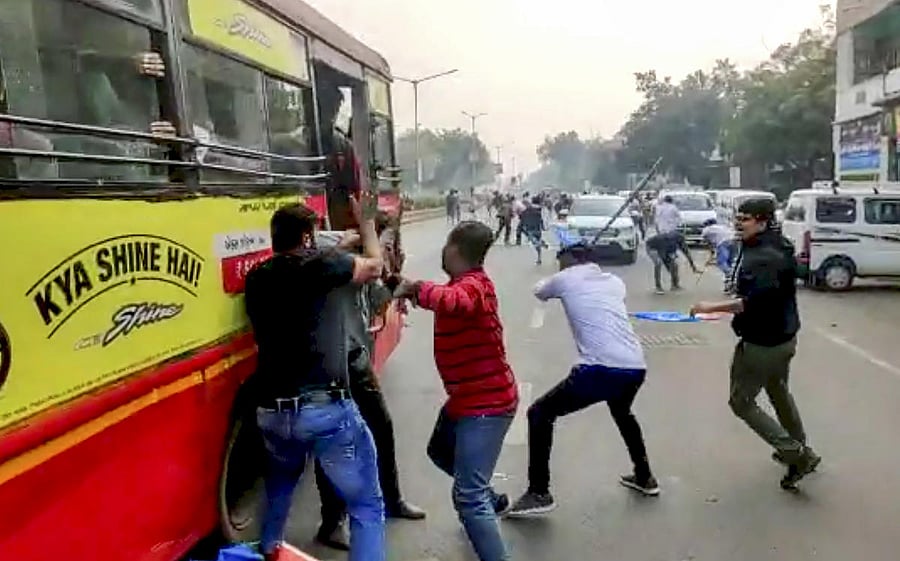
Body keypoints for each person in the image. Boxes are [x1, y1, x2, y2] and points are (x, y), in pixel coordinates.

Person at [244, 201, 386, 561]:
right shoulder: (324, 268)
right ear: (308, 237)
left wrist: (335, 247)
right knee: (366, 504)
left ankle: (269, 549)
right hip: (324, 412)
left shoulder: (258, 276)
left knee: (279, 489)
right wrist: (368, 229)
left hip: (273, 413)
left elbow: (303, 269)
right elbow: (374, 267)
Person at [395, 221, 518, 561]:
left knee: (467, 498)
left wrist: (413, 288)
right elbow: (444, 297)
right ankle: (491, 499)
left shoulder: (474, 286)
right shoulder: (464, 283)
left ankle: (484, 508)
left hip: (486, 404)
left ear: (453, 249)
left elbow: (455, 302)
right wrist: (405, 288)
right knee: (440, 451)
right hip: (467, 400)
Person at [507, 242, 658, 516]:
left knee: (539, 413)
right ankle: (645, 476)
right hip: (635, 366)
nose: (559, 265)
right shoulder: (614, 282)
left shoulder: (565, 278)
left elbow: (539, 291)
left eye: (561, 260)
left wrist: (560, 274)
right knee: (622, 412)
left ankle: (539, 492)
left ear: (571, 259)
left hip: (600, 369)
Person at [690, 198, 820, 491]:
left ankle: (796, 454)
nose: (738, 223)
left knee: (741, 401)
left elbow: (753, 303)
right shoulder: (777, 245)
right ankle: (797, 446)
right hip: (783, 337)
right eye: (738, 218)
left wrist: (709, 307)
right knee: (778, 390)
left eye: (746, 219)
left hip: (764, 342)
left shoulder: (764, 258)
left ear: (762, 222)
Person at [312, 218, 425, 551]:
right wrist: (359, 237)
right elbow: (337, 263)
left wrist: (404, 289)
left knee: (381, 428)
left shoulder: (362, 266)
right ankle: (332, 522)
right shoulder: (329, 251)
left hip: (356, 358)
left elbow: (378, 298)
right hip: (328, 363)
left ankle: (392, 499)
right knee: (334, 442)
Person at [700, 218, 736, 291]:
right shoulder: (723, 227)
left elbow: (706, 241)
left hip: (723, 243)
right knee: (729, 263)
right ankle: (729, 285)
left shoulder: (707, 229)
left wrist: (711, 253)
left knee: (721, 263)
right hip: (733, 241)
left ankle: (731, 276)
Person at [519, 195, 548, 264]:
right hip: (538, 229)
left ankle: (541, 244)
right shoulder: (538, 211)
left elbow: (522, 219)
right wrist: (543, 227)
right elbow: (541, 220)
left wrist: (521, 227)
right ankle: (539, 258)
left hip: (530, 229)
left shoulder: (526, 211)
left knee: (534, 242)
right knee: (536, 242)